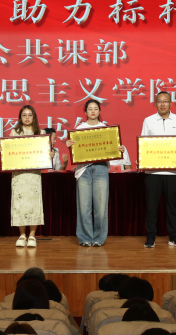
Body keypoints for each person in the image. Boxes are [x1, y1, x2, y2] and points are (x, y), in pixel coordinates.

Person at [65, 99, 125, 247]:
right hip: (83, 170)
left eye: (96, 108)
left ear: (99, 111)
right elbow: (77, 151)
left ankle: (98, 237)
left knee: (101, 206)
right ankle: (85, 237)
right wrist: (69, 145)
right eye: (90, 109)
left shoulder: (106, 129)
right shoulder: (79, 129)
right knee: (84, 206)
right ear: (85, 112)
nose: (93, 111)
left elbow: (112, 148)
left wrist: (119, 149)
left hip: (101, 168)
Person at [140, 91, 176, 248]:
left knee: (172, 207)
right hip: (152, 172)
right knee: (151, 207)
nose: (162, 104)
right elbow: (143, 144)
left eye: (165, 101)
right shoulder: (148, 121)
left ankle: (173, 237)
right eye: (159, 101)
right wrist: (141, 159)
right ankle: (150, 237)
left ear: (170, 103)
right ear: (155, 104)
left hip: (172, 172)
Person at [10, 105, 45, 248]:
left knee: (34, 204)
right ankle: (22, 235)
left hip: (34, 174)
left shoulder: (41, 133)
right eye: (24, 115)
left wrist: (49, 154)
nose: (27, 118)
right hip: (19, 174)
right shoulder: (14, 132)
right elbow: (9, 152)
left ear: (34, 117)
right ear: (20, 117)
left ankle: (32, 235)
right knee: (20, 204)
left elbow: (44, 152)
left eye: (30, 115)